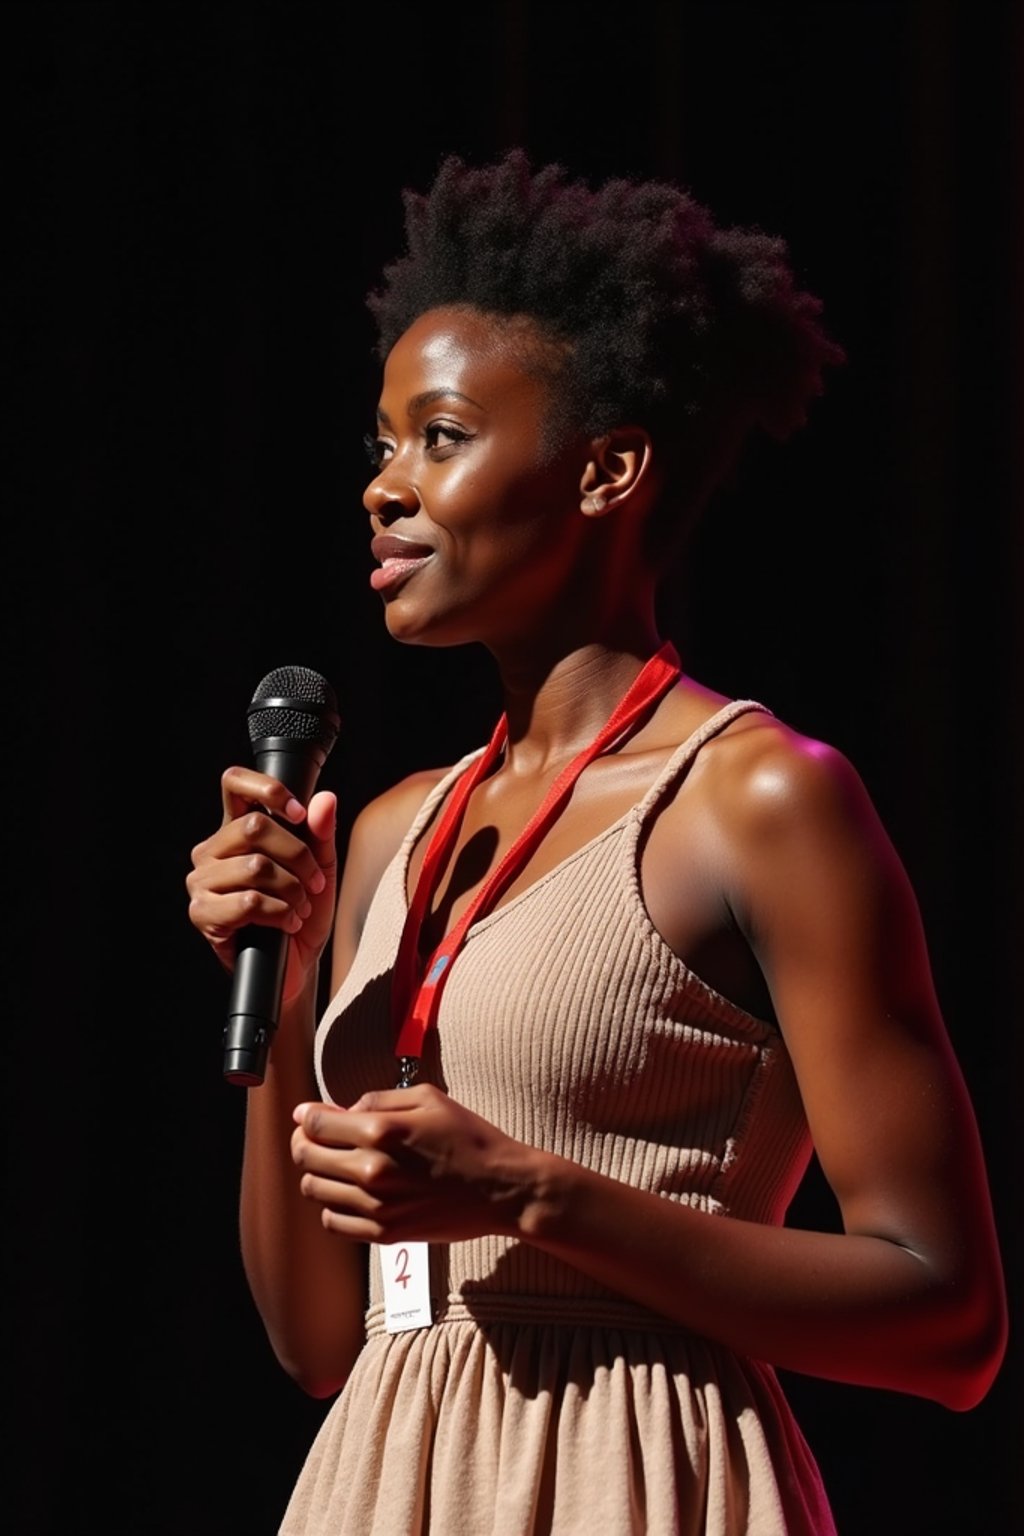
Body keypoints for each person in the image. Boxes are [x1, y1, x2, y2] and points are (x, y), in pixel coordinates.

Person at [186, 149, 1008, 1535]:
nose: (386, 489)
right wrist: (279, 976)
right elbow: (322, 1341)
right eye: (381, 447)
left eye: (440, 439)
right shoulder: (392, 830)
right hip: (386, 1481)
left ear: (607, 468)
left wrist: (528, 1195)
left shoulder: (756, 798)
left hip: (634, 1475)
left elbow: (949, 1319)